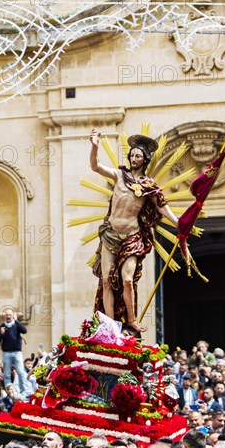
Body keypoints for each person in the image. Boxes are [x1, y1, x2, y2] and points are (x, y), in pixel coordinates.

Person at [89, 130, 179, 334]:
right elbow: (95, 166)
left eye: (138, 156)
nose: (134, 158)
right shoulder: (119, 175)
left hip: (132, 236)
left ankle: (131, 320)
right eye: (132, 155)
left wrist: (177, 222)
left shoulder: (148, 186)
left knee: (127, 280)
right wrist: (95, 145)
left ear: (145, 159)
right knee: (106, 281)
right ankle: (110, 325)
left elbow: (162, 206)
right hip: (111, 234)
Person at [0, 309, 28, 393]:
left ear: (13, 316)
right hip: (6, 353)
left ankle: (23, 391)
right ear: (4, 316)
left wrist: (16, 321)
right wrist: (1, 334)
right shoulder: (2, 326)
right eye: (6, 315)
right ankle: (8, 391)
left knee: (21, 372)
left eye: (10, 315)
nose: (8, 316)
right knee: (7, 374)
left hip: (17, 353)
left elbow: (24, 330)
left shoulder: (16, 324)